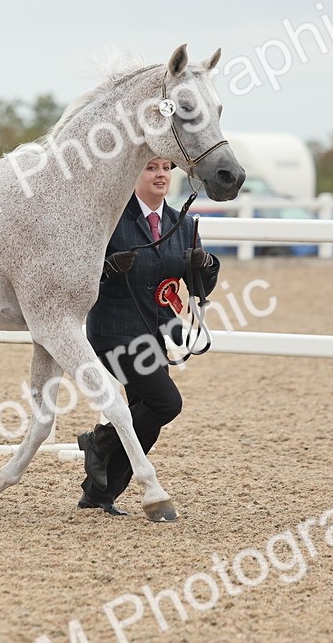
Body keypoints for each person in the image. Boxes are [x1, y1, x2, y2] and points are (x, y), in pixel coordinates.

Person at [76, 157, 221, 516]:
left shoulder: (183, 224)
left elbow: (199, 287)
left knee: (148, 416)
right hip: (114, 331)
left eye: (165, 169)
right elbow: (78, 276)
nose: (160, 175)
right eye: (151, 168)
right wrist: (107, 269)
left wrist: (206, 264)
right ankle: (101, 440)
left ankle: (98, 493)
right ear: (135, 173)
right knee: (166, 404)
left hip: (155, 333)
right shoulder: (112, 219)